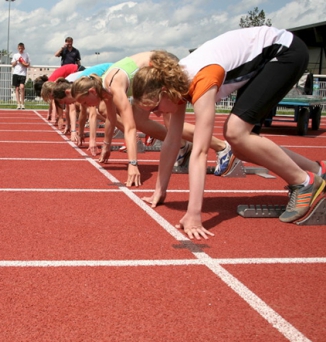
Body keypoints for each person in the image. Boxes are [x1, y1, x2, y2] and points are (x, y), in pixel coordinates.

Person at [131, 26, 326, 239]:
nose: (156, 115)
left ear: (164, 92)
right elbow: (172, 140)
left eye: (154, 108)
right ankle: (317, 170)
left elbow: (200, 152)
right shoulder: (174, 86)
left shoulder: (201, 80)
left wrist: (194, 213)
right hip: (266, 58)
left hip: (285, 52)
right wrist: (160, 190)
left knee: (235, 133)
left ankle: (304, 182)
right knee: (242, 149)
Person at [72, 52, 232, 186]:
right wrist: (106, 146)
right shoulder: (104, 91)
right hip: (150, 76)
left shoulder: (114, 86)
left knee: (171, 124)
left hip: (162, 68)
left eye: (85, 102)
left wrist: (133, 164)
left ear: (92, 91)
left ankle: (222, 147)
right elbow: (111, 120)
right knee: (143, 121)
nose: (87, 107)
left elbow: (130, 128)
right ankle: (183, 145)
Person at [11, 42, 30, 110]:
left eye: (21, 48)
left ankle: (22, 103)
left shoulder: (26, 54)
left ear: (24, 48)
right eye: (19, 48)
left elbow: (28, 64)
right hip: (16, 73)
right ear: (17, 48)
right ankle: (18, 103)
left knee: (22, 87)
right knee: (16, 88)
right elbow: (12, 64)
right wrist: (17, 61)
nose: (20, 49)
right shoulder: (15, 55)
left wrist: (24, 63)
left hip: (23, 73)